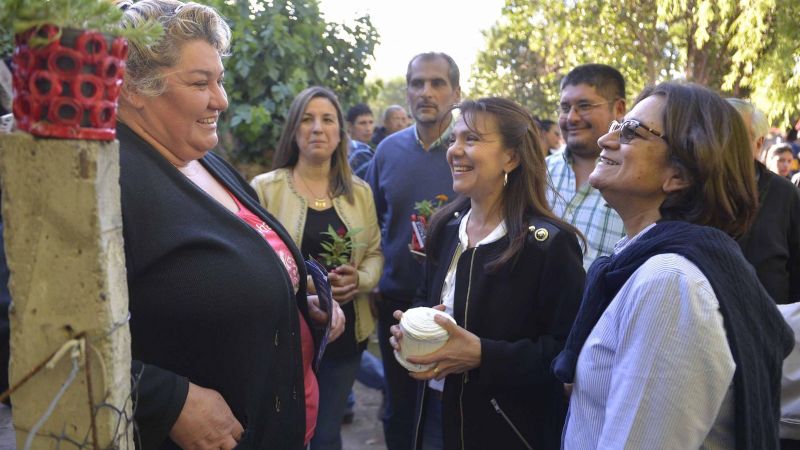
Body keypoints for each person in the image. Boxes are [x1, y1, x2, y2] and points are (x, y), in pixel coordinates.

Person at [117, 2, 343, 448]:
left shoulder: (209, 163)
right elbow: (41, 343)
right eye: (201, 83)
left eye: (218, 80)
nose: (221, 99)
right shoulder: (106, 181)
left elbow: (242, 262)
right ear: (134, 88)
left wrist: (296, 296)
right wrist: (167, 399)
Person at [554, 82, 794, 449]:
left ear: (679, 175)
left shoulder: (668, 284)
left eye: (632, 132)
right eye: (617, 126)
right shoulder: (639, 263)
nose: (606, 139)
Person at [390, 97, 585, 449]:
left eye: (472, 139)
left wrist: (483, 354)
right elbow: (424, 298)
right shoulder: (444, 227)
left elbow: (566, 354)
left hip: (505, 428)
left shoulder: (549, 245)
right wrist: (411, 327)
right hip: (433, 412)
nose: (455, 150)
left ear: (511, 157)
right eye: (454, 139)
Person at [250, 86, 383, 450]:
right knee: (288, 432)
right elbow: (254, 265)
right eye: (307, 119)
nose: (317, 128)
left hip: (345, 338)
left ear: (340, 132)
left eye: (327, 119)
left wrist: (360, 279)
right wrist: (306, 285)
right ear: (294, 130)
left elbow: (374, 253)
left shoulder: (360, 193)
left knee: (325, 435)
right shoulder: (265, 189)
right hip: (288, 338)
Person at [364, 52, 460, 450]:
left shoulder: (469, 148)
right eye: (417, 83)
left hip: (456, 307)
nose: (426, 92)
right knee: (399, 407)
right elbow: (375, 221)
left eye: (437, 83)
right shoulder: (387, 151)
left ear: (457, 92)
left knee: (449, 409)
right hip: (398, 300)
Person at [547, 64, 627, 269]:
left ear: (619, 109)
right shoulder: (539, 172)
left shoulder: (637, 183)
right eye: (565, 108)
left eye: (584, 106)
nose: (572, 117)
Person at [727, 98, 800, 305]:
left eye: (735, 137)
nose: (723, 144)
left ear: (758, 144)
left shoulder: (785, 195)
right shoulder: (691, 193)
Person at [346, 103, 376, 179]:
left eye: (371, 122)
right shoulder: (359, 151)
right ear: (350, 126)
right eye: (362, 123)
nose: (368, 128)